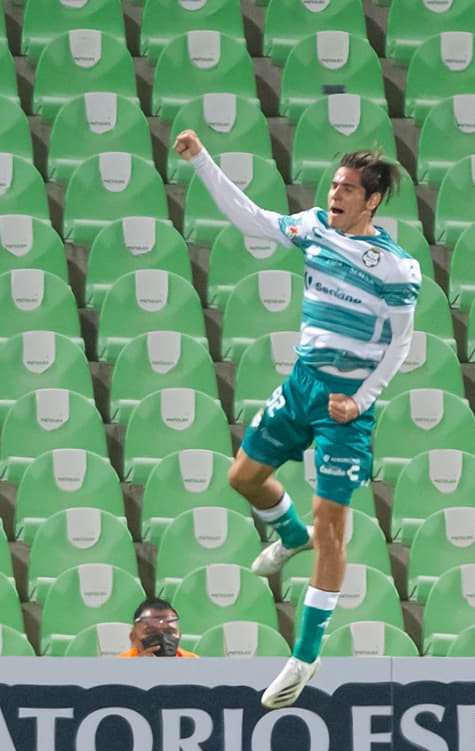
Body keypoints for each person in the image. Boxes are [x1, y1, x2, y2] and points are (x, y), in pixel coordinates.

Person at [174, 130, 421, 709]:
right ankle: (289, 537)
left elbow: (400, 344)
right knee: (243, 479)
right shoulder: (313, 228)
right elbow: (252, 218)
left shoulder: (395, 268)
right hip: (303, 383)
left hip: (345, 406)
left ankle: (304, 657)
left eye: (348, 188)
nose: (335, 193)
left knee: (332, 525)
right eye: (334, 184)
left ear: (373, 200)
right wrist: (201, 160)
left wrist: (360, 400)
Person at [117, 597, 200, 657]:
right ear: (133, 637)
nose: (162, 637)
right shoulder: (120, 665)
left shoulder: (194, 664)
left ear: (179, 636)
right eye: (151, 632)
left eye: (169, 632)